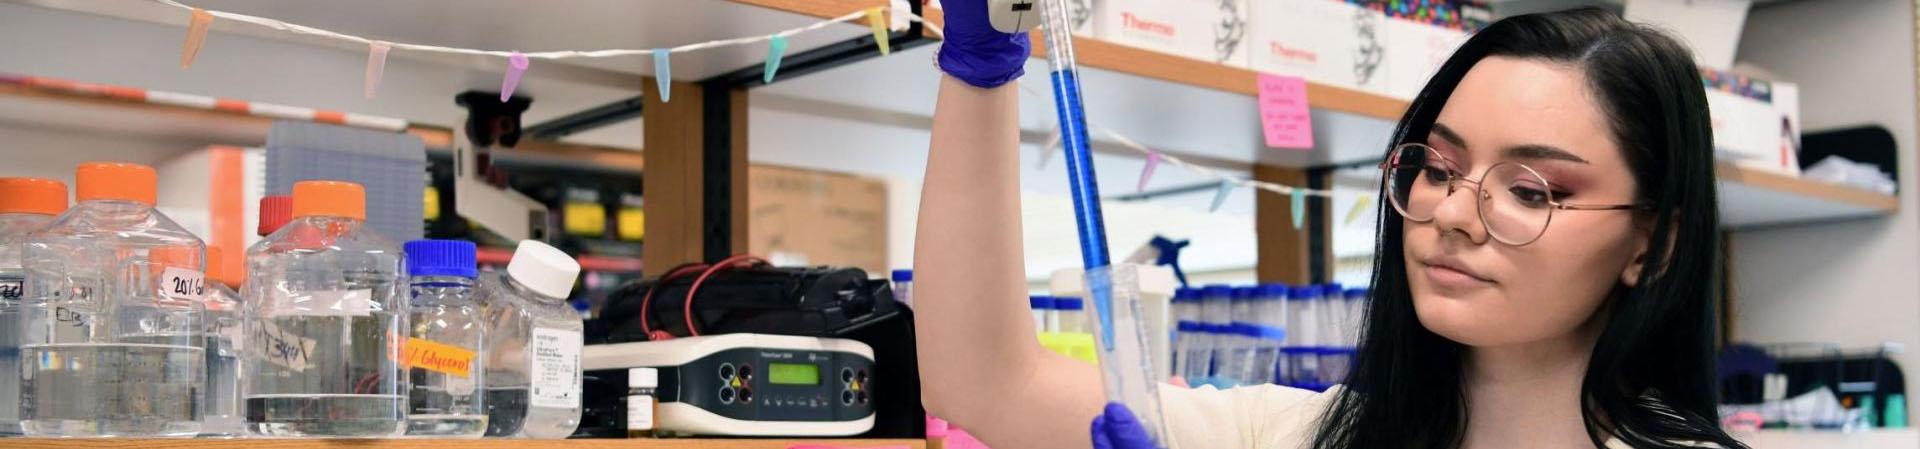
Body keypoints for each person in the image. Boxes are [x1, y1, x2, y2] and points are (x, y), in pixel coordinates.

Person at [912, 2, 1749, 449]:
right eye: (1439, 167)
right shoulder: (1293, 435)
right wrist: (981, 71)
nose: (1453, 213)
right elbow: (986, 382)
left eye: (1531, 189)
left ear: (1653, 243)